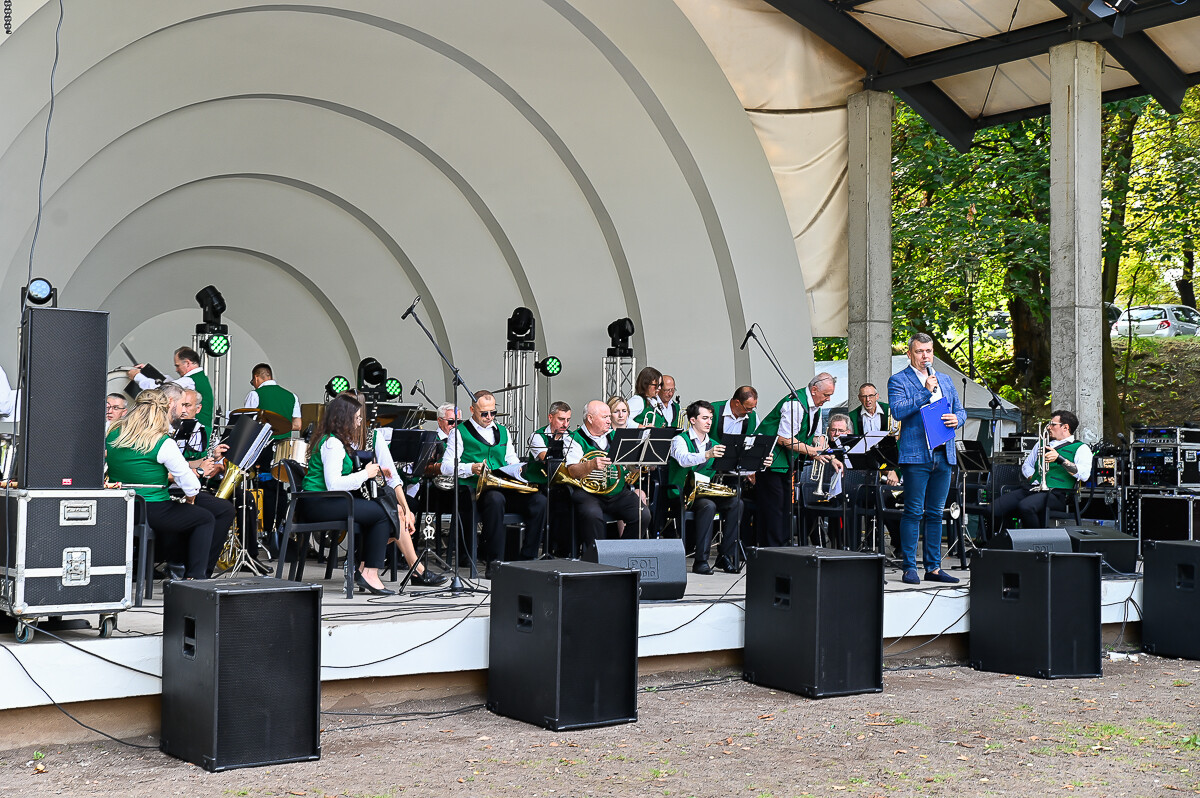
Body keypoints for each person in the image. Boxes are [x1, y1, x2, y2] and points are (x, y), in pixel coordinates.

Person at [105, 391, 214, 580]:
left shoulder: (113, 434)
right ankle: (195, 578)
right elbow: (191, 486)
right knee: (204, 518)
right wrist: (190, 498)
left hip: (119, 508)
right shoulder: (162, 442)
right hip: (153, 509)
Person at [441, 391, 547, 578]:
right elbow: (446, 467)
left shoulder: (503, 431)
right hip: (475, 491)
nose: (489, 417)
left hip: (504, 486)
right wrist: (470, 467)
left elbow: (511, 459)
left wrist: (519, 471)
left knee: (539, 501)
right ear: (472, 410)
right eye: (484, 413)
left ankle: (527, 558)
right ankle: (494, 562)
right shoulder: (459, 432)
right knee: (495, 500)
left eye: (493, 413)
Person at [887, 333, 966, 585]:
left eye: (929, 351)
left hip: (943, 453)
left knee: (935, 512)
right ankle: (909, 567)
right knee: (913, 511)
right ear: (910, 353)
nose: (925, 356)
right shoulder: (898, 380)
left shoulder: (945, 379)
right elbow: (898, 411)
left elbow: (960, 410)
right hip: (916, 455)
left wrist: (958, 419)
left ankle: (933, 568)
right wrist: (925, 391)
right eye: (920, 351)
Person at [302, 393, 395, 594]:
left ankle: (365, 570)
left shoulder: (332, 440)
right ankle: (369, 573)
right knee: (381, 514)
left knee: (377, 512)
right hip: (318, 503)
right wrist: (365, 473)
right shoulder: (333, 444)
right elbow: (334, 484)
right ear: (346, 418)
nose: (360, 422)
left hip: (319, 501)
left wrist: (373, 472)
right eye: (357, 418)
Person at [755, 373, 838, 547]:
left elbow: (817, 438)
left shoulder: (815, 407)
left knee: (786, 508)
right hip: (771, 461)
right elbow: (784, 439)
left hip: (787, 463)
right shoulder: (795, 405)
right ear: (814, 390)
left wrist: (830, 456)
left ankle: (784, 546)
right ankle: (773, 549)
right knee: (775, 509)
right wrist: (812, 452)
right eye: (826, 395)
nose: (828, 399)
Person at [667, 400, 744, 574]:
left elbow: (733, 468)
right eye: (704, 418)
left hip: (704, 492)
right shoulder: (679, 440)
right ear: (692, 420)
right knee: (708, 506)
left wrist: (760, 465)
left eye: (710, 418)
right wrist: (707, 454)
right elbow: (683, 459)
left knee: (737, 503)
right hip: (682, 494)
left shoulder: (715, 443)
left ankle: (725, 555)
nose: (709, 422)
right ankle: (701, 561)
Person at [989, 410, 1092, 537]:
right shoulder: (1041, 443)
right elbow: (1027, 465)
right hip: (1033, 488)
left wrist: (1060, 459)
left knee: (1026, 507)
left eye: (1053, 424)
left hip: (1057, 494)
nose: (1049, 427)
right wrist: (1033, 478)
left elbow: (1084, 475)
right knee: (993, 509)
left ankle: (1037, 541)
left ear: (1065, 427)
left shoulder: (1081, 448)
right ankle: (999, 542)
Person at [566, 400, 651, 551]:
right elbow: (572, 471)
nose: (609, 420)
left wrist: (637, 464)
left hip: (617, 492)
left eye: (609, 417)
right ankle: (597, 556)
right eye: (605, 417)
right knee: (592, 514)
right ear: (590, 418)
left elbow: (628, 466)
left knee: (643, 514)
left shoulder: (615, 435)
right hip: (589, 494)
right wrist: (590, 465)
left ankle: (622, 552)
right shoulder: (574, 438)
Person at [242, 363, 302, 540]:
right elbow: (298, 425)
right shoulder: (291, 396)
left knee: (263, 485)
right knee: (279, 486)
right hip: (284, 447)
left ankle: (265, 529)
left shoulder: (255, 394)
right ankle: (280, 527)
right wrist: (281, 425)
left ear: (256, 378)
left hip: (263, 446)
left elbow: (248, 423)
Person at [128, 346, 215, 432]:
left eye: (177, 365)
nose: (176, 370)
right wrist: (147, 371)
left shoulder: (190, 381)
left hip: (195, 431)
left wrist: (137, 376)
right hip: (201, 430)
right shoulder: (199, 378)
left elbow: (161, 391)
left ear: (187, 363)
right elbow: (169, 382)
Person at [526, 402, 573, 556]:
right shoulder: (537, 436)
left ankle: (565, 550)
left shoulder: (572, 437)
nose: (565, 424)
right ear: (550, 417)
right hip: (540, 483)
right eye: (561, 419)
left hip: (561, 484)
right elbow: (545, 458)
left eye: (568, 420)